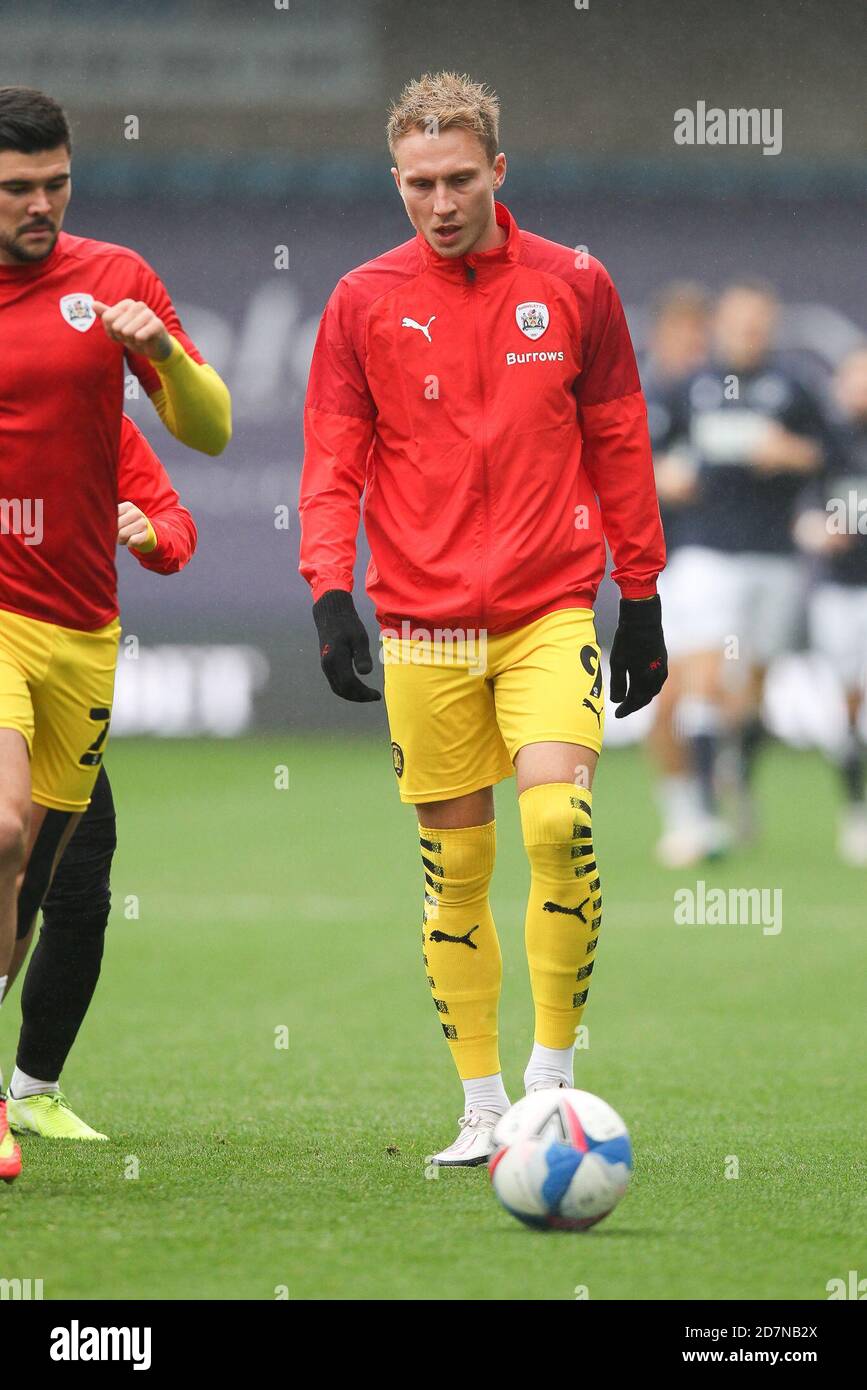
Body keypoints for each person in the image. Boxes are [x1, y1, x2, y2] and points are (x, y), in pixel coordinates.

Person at [298, 72, 667, 1166]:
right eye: (420, 183)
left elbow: (619, 438)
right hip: (424, 627)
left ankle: (552, 1084)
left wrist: (640, 595)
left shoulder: (576, 285)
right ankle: (479, 1106)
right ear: (396, 181)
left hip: (553, 607)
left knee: (559, 827)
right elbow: (331, 461)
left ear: (499, 171)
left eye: (461, 178)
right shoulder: (361, 300)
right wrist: (329, 590)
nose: (441, 201)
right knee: (455, 873)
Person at [0, 86, 230, 1176]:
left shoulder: (113, 294)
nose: (39, 204)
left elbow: (206, 448)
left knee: (44, 873)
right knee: (4, 834)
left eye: (55, 183)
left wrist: (169, 359)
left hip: (82, 628)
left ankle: (30, 1087)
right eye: (16, 188)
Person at [3, 416, 197, 1143]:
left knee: (76, 879)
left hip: (60, 672)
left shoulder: (99, 425)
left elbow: (174, 521)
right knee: (9, 839)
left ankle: (32, 1088)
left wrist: (151, 531)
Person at [658, 280, 830, 853]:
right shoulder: (690, 389)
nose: (748, 334)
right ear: (720, 327)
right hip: (705, 553)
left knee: (752, 689)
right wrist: (664, 476)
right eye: (738, 323)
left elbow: (830, 456)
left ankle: (736, 773)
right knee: (703, 673)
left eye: (759, 324)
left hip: (774, 556)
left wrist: (793, 453)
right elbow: (643, 456)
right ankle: (702, 814)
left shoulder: (795, 389)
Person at [639, 284, 716, 866]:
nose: (695, 346)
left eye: (701, 335)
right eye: (685, 335)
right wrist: (657, 477)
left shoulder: (719, 395)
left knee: (710, 691)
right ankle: (683, 812)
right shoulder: (640, 394)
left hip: (712, 562)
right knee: (668, 695)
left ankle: (707, 803)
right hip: (654, 570)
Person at [797, 345, 867, 864]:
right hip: (842, 591)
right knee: (850, 708)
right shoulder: (825, 438)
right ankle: (855, 810)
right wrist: (813, 528)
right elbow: (798, 505)